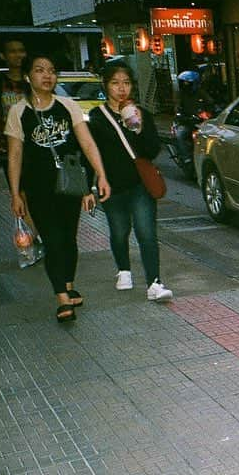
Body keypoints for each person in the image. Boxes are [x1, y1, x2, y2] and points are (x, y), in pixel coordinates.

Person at [5, 54, 111, 323]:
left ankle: (67, 284)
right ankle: (62, 299)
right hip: (38, 187)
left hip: (70, 182)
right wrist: (16, 193)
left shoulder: (67, 106)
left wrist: (100, 176)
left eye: (51, 70)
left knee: (68, 239)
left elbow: (86, 143)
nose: (47, 75)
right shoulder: (19, 112)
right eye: (40, 70)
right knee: (52, 241)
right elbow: (15, 155)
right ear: (28, 76)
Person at [86, 61, 172, 302]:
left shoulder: (142, 113)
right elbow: (90, 154)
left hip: (139, 185)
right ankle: (124, 269)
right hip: (112, 186)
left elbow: (152, 150)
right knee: (119, 231)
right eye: (115, 83)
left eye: (126, 83)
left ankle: (154, 283)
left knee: (146, 233)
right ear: (106, 86)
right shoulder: (97, 117)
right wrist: (89, 188)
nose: (121, 88)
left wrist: (138, 127)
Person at [0, 36, 45, 266]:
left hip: (36, 145)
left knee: (40, 194)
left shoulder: (34, 82)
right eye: (12, 51)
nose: (17, 55)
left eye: (21, 51)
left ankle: (41, 236)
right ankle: (37, 239)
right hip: (9, 148)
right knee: (20, 194)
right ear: (3, 56)